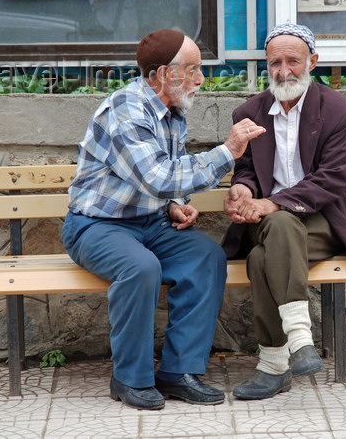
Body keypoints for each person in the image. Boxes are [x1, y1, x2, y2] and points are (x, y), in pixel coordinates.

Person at [62, 28, 264, 410]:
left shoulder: (173, 109)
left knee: (207, 256)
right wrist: (229, 151)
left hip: (149, 221)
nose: (201, 79)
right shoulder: (127, 110)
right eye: (191, 69)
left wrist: (175, 202)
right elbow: (155, 176)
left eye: (200, 69)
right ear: (158, 75)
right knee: (141, 268)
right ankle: (130, 378)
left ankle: (178, 371)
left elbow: (163, 178)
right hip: (96, 225)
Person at [221, 23, 346, 400]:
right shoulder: (249, 112)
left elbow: (330, 180)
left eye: (292, 61)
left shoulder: (339, 110)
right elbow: (246, 170)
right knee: (277, 226)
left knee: (263, 257)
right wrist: (242, 191)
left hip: (319, 221)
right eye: (274, 62)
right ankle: (299, 338)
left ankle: (274, 364)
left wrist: (271, 203)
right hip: (265, 222)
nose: (283, 71)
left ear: (312, 61)